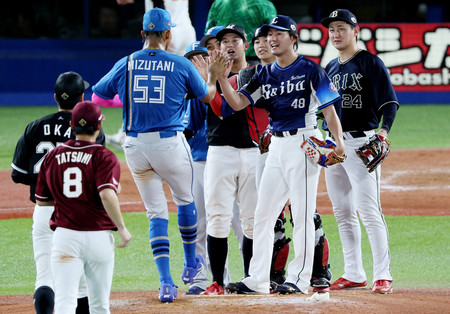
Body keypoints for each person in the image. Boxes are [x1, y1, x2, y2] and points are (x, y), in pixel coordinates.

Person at [92, 8, 225, 302]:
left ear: (142, 34)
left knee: (156, 213)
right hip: (169, 144)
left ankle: (165, 283)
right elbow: (207, 96)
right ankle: (191, 263)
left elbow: (97, 98)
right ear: (168, 35)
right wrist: (213, 78)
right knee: (185, 200)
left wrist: (124, 97)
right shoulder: (179, 63)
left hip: (135, 147)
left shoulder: (125, 63)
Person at [217, 15, 345, 295]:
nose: (272, 39)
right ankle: (258, 279)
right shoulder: (264, 73)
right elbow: (238, 104)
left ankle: (300, 279)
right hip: (276, 145)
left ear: (293, 38)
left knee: (302, 213)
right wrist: (221, 79)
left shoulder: (311, 70)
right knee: (263, 213)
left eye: (279, 34)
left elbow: (329, 109)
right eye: (269, 34)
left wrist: (338, 141)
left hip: (304, 141)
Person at [11, 71, 106, 314]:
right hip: (77, 214)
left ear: (55, 97)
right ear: (82, 97)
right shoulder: (91, 130)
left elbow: (18, 174)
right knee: (82, 283)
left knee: (44, 276)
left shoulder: (35, 127)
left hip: (43, 211)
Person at [320, 9, 398, 294]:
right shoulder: (330, 67)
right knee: (342, 211)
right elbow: (323, 109)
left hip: (362, 144)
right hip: (334, 146)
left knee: (368, 210)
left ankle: (383, 274)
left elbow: (389, 103)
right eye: (332, 29)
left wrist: (384, 132)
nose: (336, 34)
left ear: (355, 31)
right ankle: (354, 272)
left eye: (342, 28)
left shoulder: (370, 63)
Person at [34, 100, 131, 313]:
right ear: (99, 127)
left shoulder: (52, 156)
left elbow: (41, 199)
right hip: (99, 238)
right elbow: (106, 193)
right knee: (99, 306)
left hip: (65, 237)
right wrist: (122, 228)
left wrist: (66, 200)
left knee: (64, 303)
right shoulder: (105, 156)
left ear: (72, 126)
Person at [198, 24, 268, 296]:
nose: (228, 45)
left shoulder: (257, 73)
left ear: (245, 45)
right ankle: (217, 281)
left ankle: (250, 279)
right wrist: (213, 78)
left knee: (252, 220)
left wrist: (219, 79)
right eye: (222, 41)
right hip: (220, 151)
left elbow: (231, 106)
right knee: (217, 218)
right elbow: (213, 105)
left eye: (234, 40)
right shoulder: (212, 75)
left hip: (253, 153)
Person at [205, 0, 277, 62]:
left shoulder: (218, 3)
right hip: (255, 58)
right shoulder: (265, 4)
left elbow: (209, 33)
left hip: (226, 59)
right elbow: (273, 34)